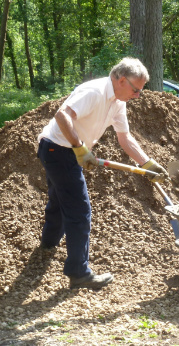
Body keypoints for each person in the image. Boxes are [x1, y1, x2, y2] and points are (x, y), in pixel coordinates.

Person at [36, 57, 169, 289]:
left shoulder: (118, 101)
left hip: (62, 150)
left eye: (140, 91)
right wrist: (80, 148)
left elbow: (125, 138)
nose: (137, 95)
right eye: (135, 89)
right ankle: (79, 272)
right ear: (120, 79)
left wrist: (147, 164)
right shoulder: (94, 92)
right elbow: (62, 115)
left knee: (59, 199)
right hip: (59, 149)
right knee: (80, 210)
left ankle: (48, 243)